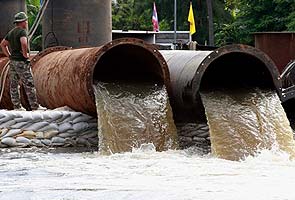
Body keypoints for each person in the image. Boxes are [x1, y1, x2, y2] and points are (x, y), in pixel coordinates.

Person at [0, 12, 40, 111]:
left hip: (13, 62)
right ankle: (34, 106)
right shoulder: (22, 32)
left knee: (14, 84)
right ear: (22, 22)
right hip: (21, 62)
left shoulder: (11, 32)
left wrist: (8, 55)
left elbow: (2, 44)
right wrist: (25, 54)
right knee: (29, 84)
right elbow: (24, 43)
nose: (26, 23)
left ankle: (17, 107)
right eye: (25, 21)